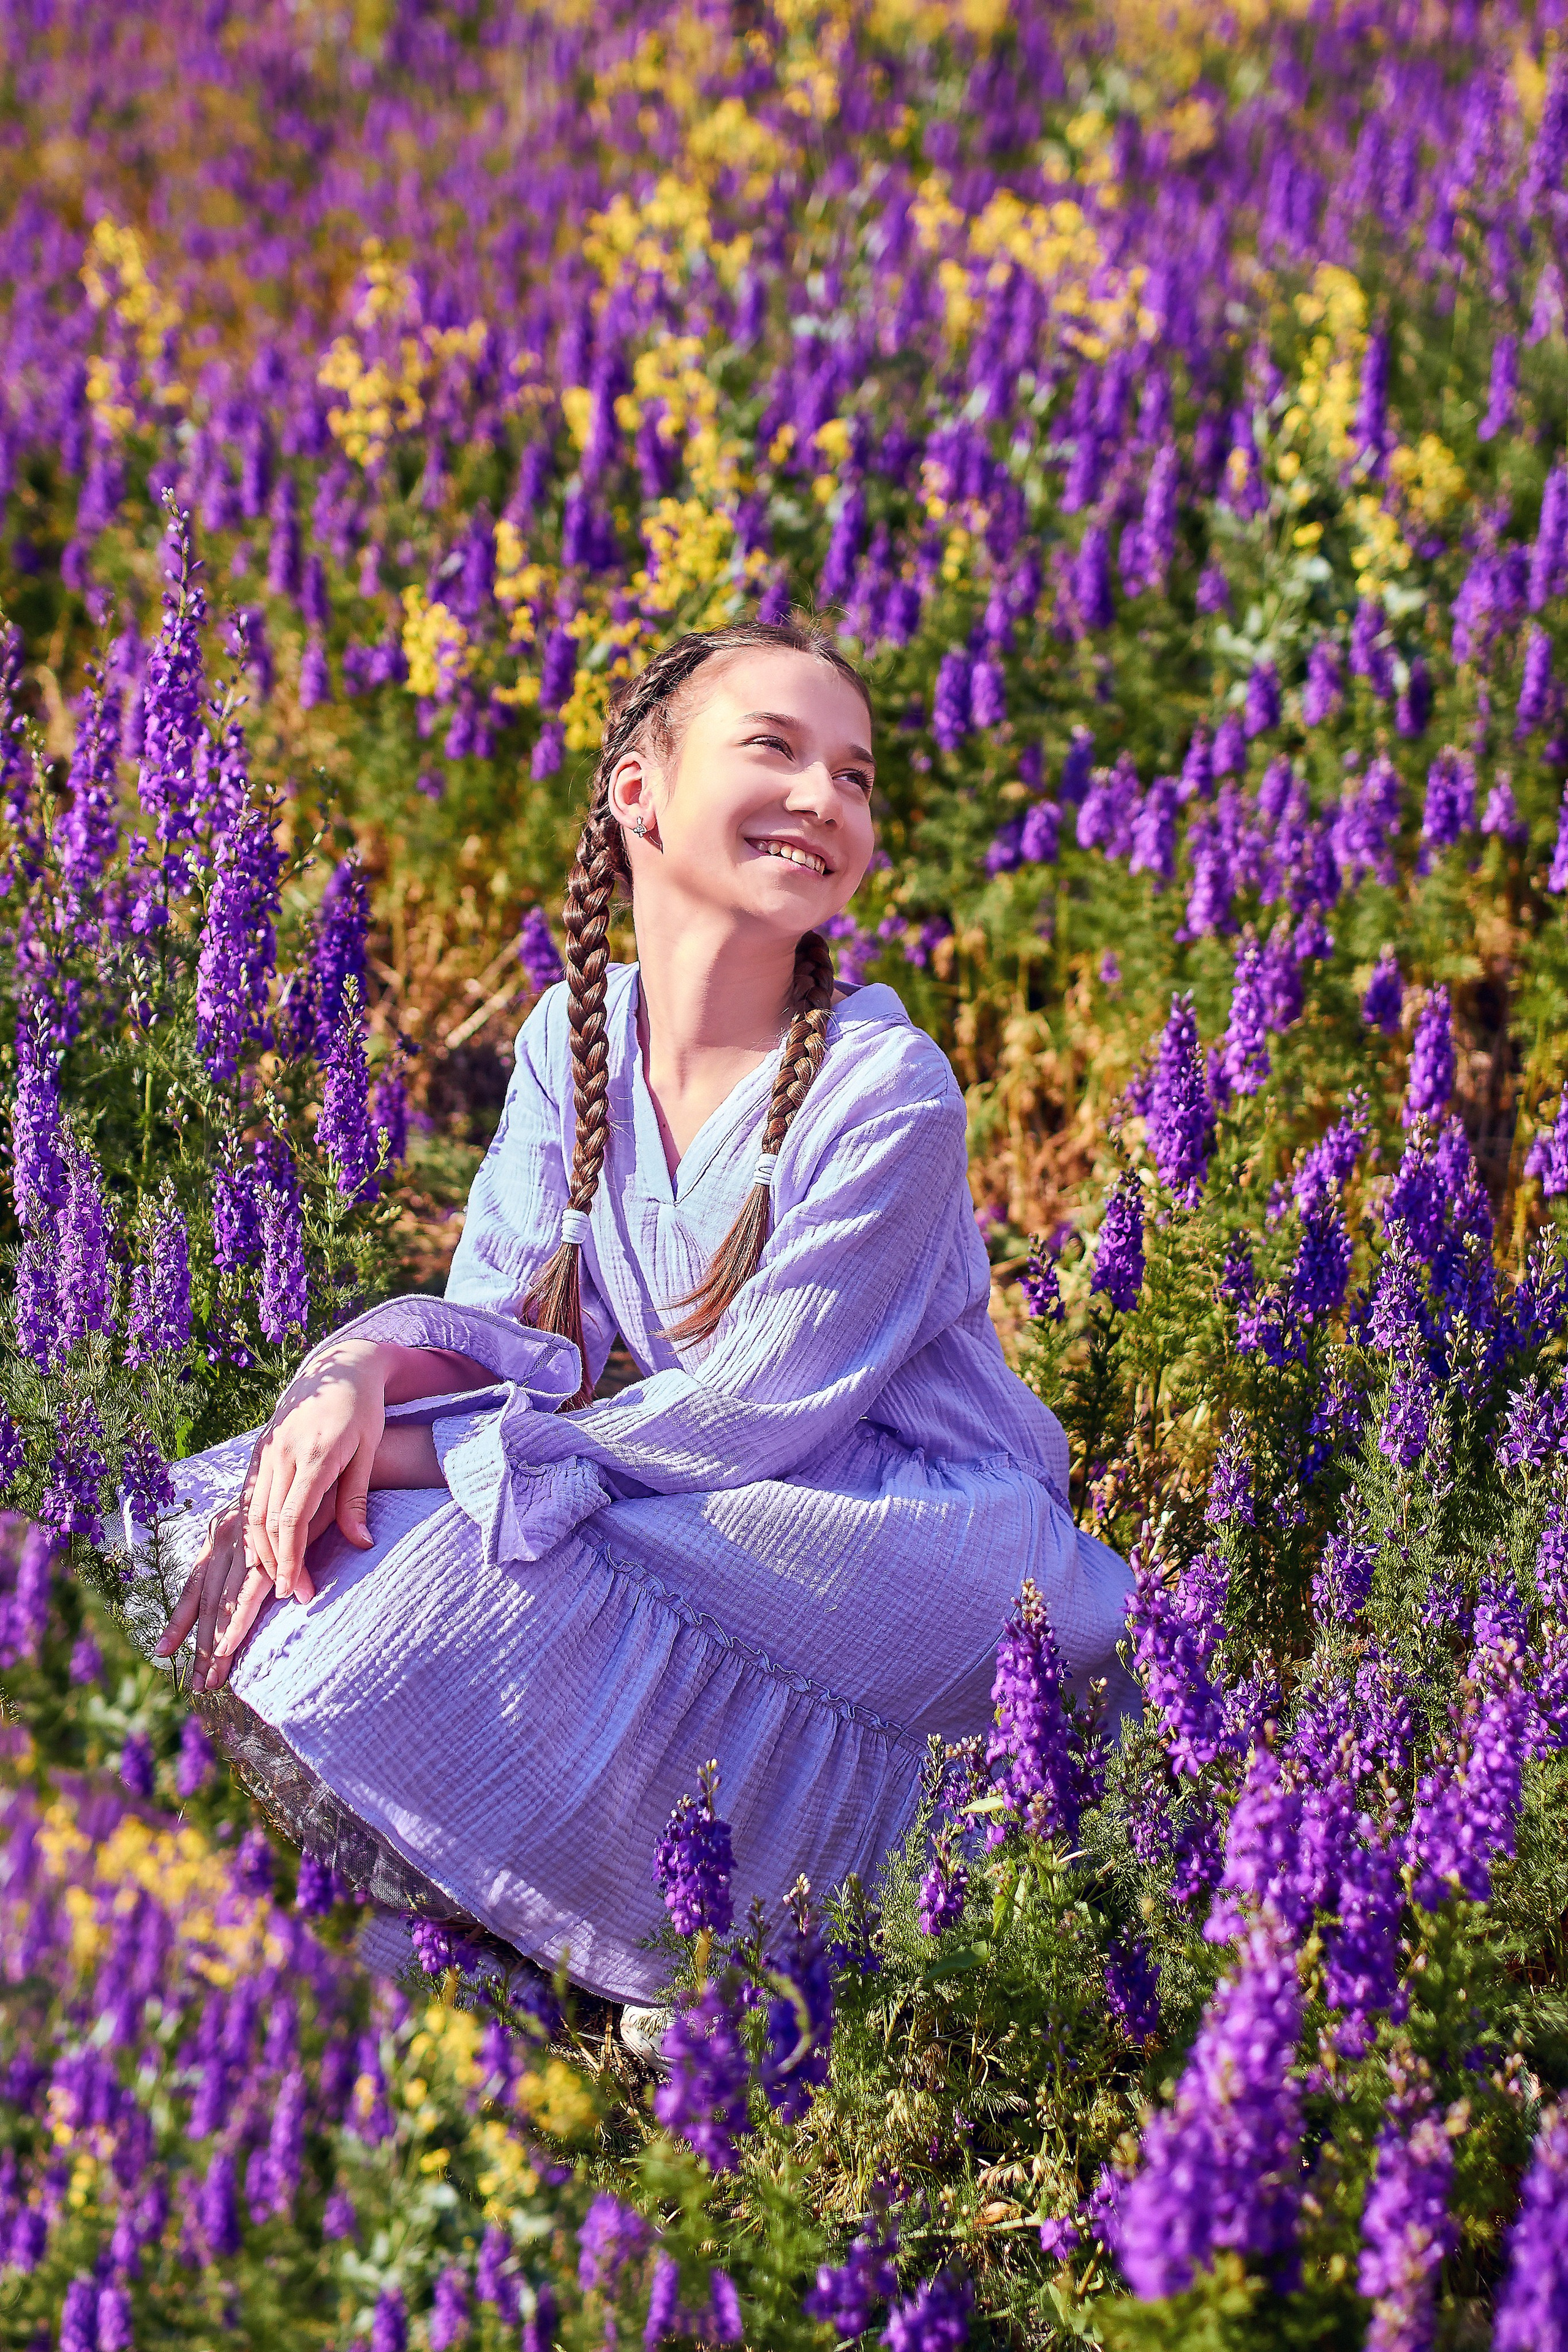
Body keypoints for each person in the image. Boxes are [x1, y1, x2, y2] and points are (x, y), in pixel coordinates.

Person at [153, 619, 1133, 2004]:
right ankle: (442, 1944)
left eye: (853, 777)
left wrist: (426, 1455)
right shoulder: (570, 1038)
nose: (824, 799)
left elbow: (759, 1408)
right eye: (775, 750)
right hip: (720, 1494)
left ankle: (671, 1964)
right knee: (309, 1508)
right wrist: (360, 1382)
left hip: (929, 1537)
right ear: (637, 793)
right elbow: (516, 1329)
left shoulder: (887, 1088)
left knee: (476, 1534)